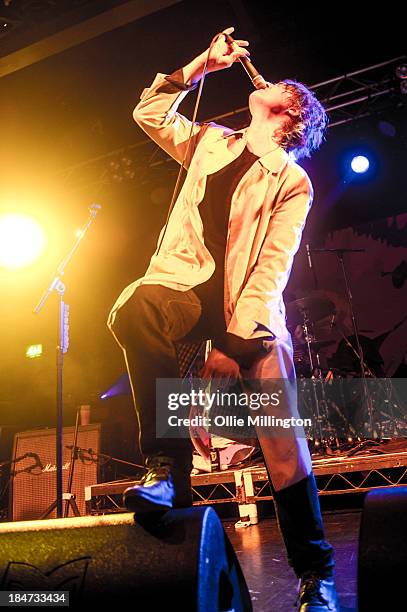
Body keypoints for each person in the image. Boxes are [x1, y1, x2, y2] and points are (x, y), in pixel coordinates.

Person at [108, 27, 338, 611]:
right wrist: (201, 66)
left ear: (291, 116)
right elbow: (149, 111)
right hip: (187, 287)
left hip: (246, 316)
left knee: (281, 448)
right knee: (136, 308)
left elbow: (272, 267)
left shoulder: (291, 179)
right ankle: (167, 471)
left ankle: (317, 577)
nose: (270, 80)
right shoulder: (211, 140)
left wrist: (232, 349)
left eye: (285, 87)